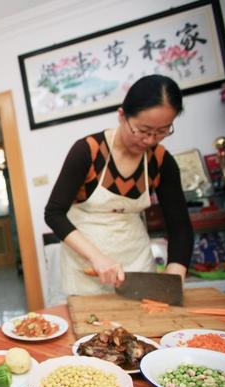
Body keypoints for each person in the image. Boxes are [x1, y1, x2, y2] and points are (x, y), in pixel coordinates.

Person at [44, 74, 193, 295]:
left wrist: (174, 277)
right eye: (143, 130)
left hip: (137, 263)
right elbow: (54, 213)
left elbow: (179, 226)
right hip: (88, 268)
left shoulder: (161, 161)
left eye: (162, 131)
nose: (151, 140)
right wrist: (97, 258)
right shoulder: (89, 151)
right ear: (122, 115)